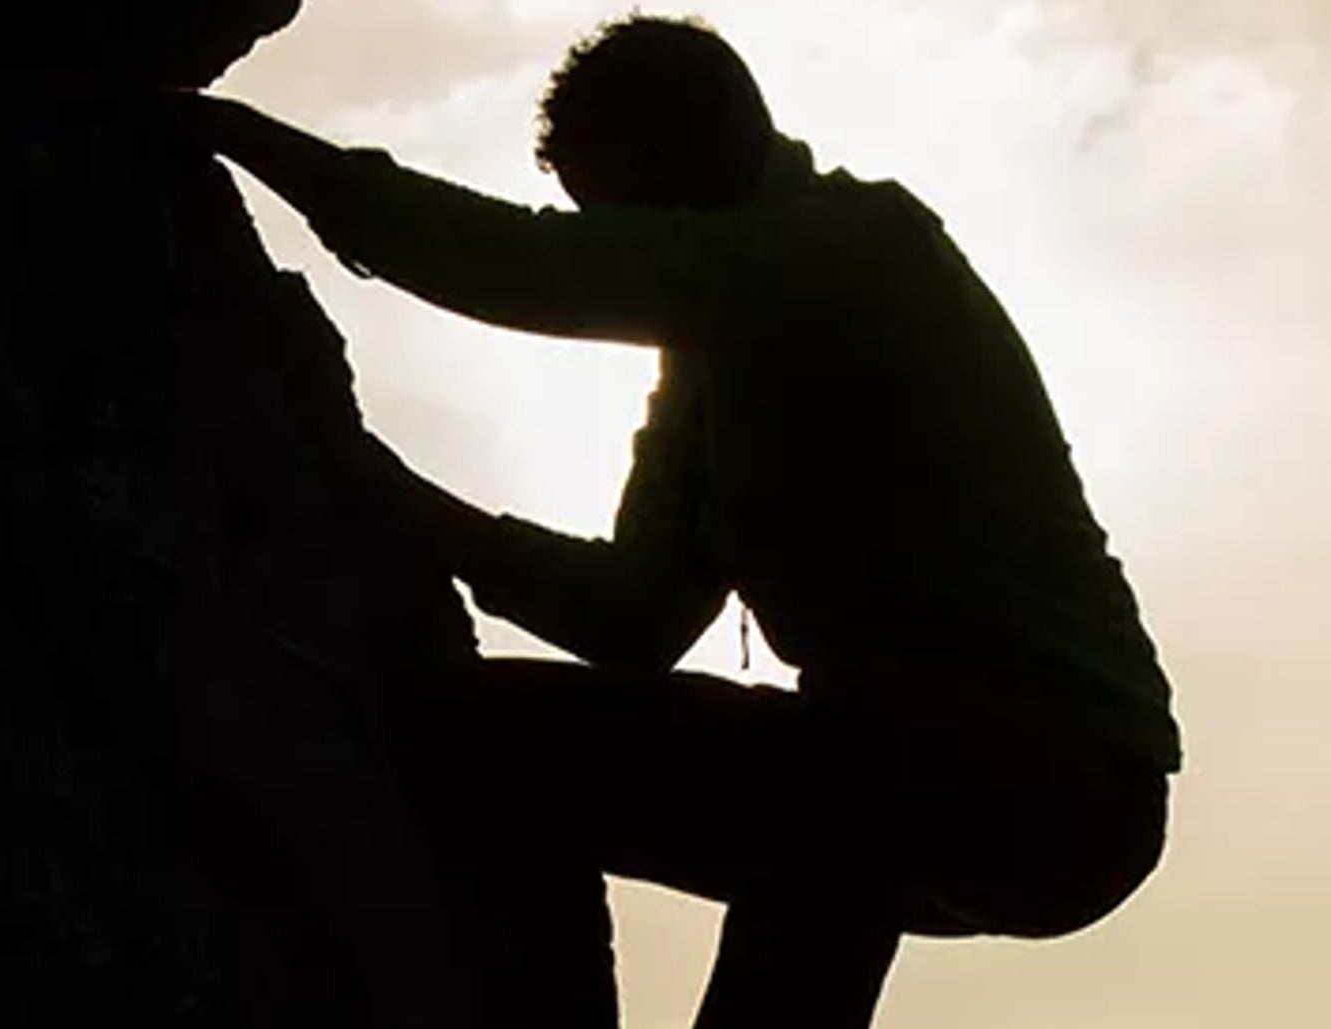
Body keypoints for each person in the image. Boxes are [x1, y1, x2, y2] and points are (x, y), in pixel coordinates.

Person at [170, 14, 1182, 1029]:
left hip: (1061, 778)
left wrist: (259, 144)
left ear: (694, 143)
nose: (622, 240)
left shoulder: (858, 248)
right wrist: (391, 500)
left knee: (833, 795)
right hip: (908, 771)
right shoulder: (706, 362)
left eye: (619, 211)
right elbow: (632, 618)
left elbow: (525, 264)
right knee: (487, 740)